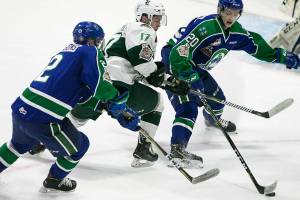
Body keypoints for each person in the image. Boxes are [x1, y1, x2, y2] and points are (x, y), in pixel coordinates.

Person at [0, 21, 140, 193]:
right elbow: (100, 87)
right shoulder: (91, 52)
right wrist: (117, 97)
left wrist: (105, 103)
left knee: (17, 145)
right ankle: (55, 179)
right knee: (80, 146)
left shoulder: (66, 52)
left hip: (21, 107)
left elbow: (81, 95)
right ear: (93, 41)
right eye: (99, 41)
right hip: (42, 118)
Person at [160, 0, 300, 168]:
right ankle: (177, 150)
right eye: (228, 12)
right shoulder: (206, 27)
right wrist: (189, 77)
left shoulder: (235, 32)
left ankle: (212, 120)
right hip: (175, 65)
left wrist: (282, 56)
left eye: (236, 13)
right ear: (220, 10)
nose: (231, 17)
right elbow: (177, 53)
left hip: (195, 69)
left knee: (218, 99)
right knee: (187, 108)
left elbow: (255, 45)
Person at [104, 0, 188, 168]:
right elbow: (142, 64)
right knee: (157, 103)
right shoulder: (143, 29)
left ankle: (35, 139)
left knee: (79, 116)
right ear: (144, 17)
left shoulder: (128, 30)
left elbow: (139, 69)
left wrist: (167, 80)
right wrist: (166, 81)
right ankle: (143, 149)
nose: (158, 23)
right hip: (120, 85)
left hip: (103, 83)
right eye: (155, 19)